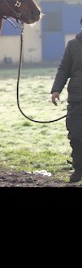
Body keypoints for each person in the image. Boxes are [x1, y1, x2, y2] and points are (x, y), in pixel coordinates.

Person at [51, 16, 82, 183]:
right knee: (76, 136)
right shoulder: (73, 45)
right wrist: (56, 90)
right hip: (76, 99)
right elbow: (64, 69)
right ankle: (78, 168)